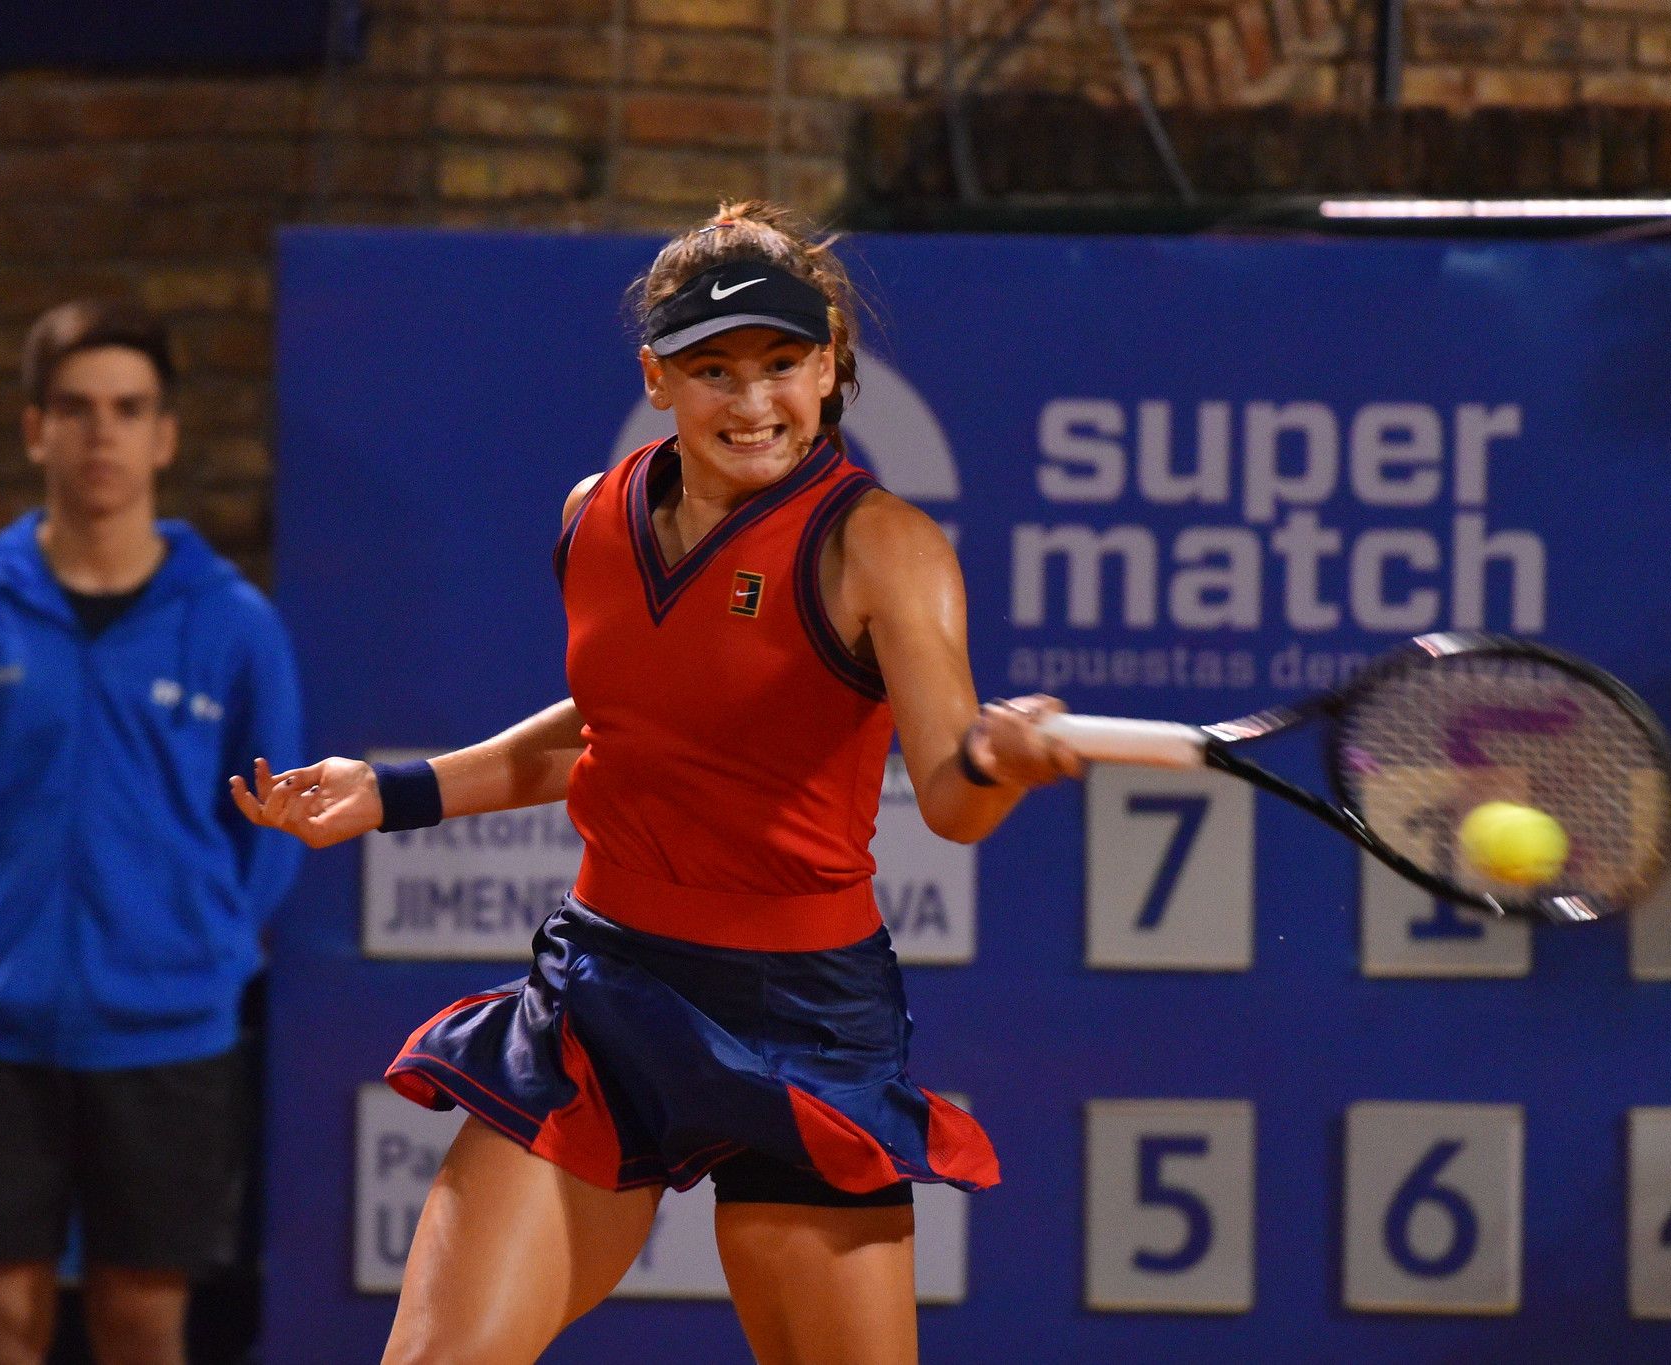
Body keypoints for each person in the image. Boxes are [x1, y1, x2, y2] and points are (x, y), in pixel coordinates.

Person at [232, 201, 1077, 1365]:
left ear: (829, 366)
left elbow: (948, 796)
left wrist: (1002, 764)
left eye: (782, 365)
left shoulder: (882, 549)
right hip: (609, 987)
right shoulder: (595, 515)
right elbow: (622, 730)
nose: (752, 402)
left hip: (803, 1021)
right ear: (658, 377)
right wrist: (395, 793)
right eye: (713, 370)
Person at [0, 300, 305, 1365]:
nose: (101, 433)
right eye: (74, 409)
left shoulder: (235, 627)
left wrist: (195, 946)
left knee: (141, 1322)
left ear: (165, 433)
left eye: (127, 409)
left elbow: (270, 832)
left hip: (169, 1032)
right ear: (35, 429)